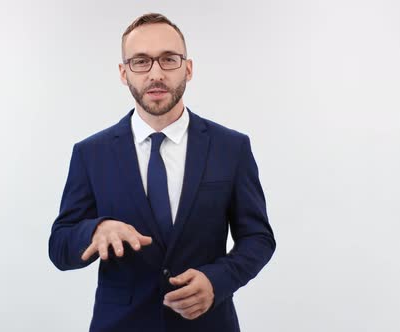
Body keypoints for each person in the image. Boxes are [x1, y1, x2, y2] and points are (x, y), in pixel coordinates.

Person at [48, 12, 276, 332]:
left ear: (189, 68)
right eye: (141, 61)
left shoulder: (232, 147)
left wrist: (218, 281)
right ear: (124, 73)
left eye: (169, 59)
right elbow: (59, 247)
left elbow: (258, 238)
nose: (156, 74)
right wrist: (94, 231)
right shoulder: (90, 153)